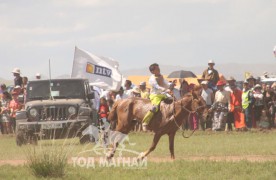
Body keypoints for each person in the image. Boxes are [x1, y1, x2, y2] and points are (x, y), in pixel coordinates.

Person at [142, 63, 169, 131]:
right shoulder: (152, 79)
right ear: (152, 71)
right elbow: (156, 86)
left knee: (173, 101)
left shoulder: (161, 76)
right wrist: (163, 89)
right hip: (155, 95)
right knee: (155, 108)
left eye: (159, 68)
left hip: (162, 94)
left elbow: (166, 83)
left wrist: (170, 85)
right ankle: (145, 122)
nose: (159, 69)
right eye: (157, 69)